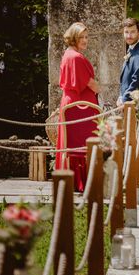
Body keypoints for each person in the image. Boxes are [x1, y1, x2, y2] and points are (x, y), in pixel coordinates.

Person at [56, 22, 100, 192]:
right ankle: (82, 180)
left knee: (72, 142)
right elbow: (90, 83)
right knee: (82, 142)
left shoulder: (69, 54)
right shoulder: (75, 57)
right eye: (81, 37)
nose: (85, 40)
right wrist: (99, 88)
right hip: (80, 106)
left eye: (86, 37)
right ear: (73, 38)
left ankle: (73, 178)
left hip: (74, 104)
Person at [118, 18, 139, 112]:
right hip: (129, 104)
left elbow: (137, 81)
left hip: (136, 104)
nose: (129, 36)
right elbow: (126, 79)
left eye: (132, 32)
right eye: (126, 32)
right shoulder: (132, 49)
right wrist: (121, 96)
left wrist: (124, 99)